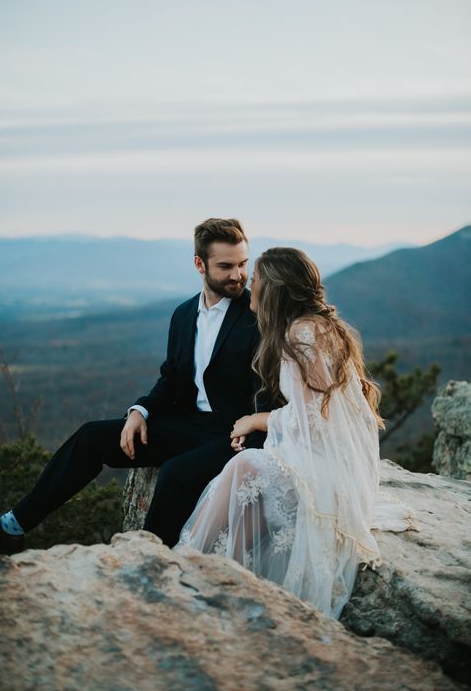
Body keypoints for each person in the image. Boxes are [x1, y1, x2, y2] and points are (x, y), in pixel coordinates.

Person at [0, 218, 268, 555]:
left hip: (234, 435)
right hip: (188, 426)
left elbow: (269, 391)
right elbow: (172, 377)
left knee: (175, 474)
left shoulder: (258, 316)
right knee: (91, 437)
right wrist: (141, 410)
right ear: (199, 264)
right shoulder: (184, 315)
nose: (238, 275)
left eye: (243, 264)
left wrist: (255, 431)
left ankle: (146, 560)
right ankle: (13, 525)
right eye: (225, 266)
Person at [175, 247, 415, 619]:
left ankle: (190, 567)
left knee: (245, 467)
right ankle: (221, 572)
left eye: (255, 278)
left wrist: (255, 421)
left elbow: (314, 420)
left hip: (328, 471)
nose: (248, 284)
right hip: (331, 463)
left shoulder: (300, 334)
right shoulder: (312, 327)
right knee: (248, 470)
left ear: (272, 289)